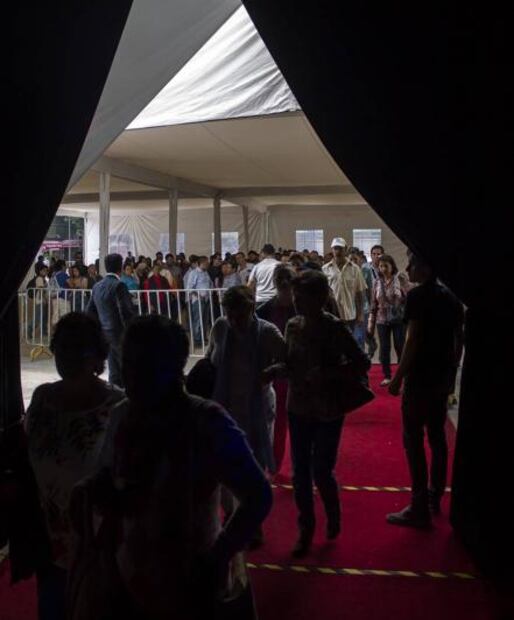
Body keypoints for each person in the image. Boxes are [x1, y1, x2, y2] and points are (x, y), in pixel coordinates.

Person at [69, 316, 272, 620]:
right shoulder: (123, 415)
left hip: (191, 583)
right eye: (128, 363)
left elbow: (259, 495)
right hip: (129, 578)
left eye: (145, 366)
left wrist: (218, 556)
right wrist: (91, 488)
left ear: (175, 368)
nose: (131, 376)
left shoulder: (207, 421)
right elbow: (108, 472)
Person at [25, 313, 124, 620]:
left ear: (97, 356)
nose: (67, 357)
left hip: (100, 548)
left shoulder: (118, 407)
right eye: (62, 348)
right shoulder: (42, 398)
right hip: (49, 541)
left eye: (77, 349)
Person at [275, 270, 370, 557]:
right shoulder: (292, 326)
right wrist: (278, 370)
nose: (296, 302)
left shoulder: (334, 327)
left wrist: (328, 373)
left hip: (328, 409)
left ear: (319, 298)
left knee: (322, 470)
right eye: (295, 296)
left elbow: (362, 362)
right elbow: (290, 362)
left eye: (302, 297)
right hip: (298, 407)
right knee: (300, 472)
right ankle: (306, 528)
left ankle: (332, 512)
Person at [387, 251, 465, 528]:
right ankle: (435, 498)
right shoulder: (452, 298)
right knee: (437, 438)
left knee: (413, 440)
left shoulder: (417, 297)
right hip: (441, 378)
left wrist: (397, 378)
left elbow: (412, 340)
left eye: (413, 264)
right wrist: (451, 374)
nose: (408, 268)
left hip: (419, 379)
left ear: (427, 269)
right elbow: (458, 340)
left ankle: (419, 505)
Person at [207, 286, 285, 548]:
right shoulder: (220, 327)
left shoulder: (267, 333)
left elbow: (288, 362)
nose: (233, 321)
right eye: (229, 314)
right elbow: (210, 359)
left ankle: (253, 523)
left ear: (251, 309)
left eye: (238, 315)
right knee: (224, 464)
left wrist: (272, 371)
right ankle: (232, 515)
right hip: (224, 405)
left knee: (254, 466)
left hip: (258, 408)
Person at [256, 265, 297, 478]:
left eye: (287, 277)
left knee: (299, 425)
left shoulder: (303, 309)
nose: (283, 281)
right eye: (279, 277)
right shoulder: (263, 311)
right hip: (274, 375)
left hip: (299, 375)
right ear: (273, 281)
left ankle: (300, 468)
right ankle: (274, 464)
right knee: (277, 422)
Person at [86, 253, 136, 387]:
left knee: (114, 372)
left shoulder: (97, 286)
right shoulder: (119, 285)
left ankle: (115, 395)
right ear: (121, 267)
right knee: (129, 370)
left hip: (105, 335)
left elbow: (90, 312)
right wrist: (132, 332)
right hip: (120, 334)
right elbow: (125, 312)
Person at [368, 254, 407, 386]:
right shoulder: (376, 282)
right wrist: (370, 324)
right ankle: (387, 376)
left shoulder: (399, 279)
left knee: (400, 346)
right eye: (381, 266)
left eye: (386, 266)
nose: (383, 269)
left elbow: (408, 296)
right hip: (381, 319)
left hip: (398, 318)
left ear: (392, 266)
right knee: (384, 348)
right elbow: (373, 303)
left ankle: (402, 375)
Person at [322, 237, 367, 331]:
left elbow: (360, 293)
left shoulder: (355, 269)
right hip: (332, 314)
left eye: (340, 249)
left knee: (348, 339)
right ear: (332, 250)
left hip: (349, 315)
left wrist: (360, 314)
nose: (338, 251)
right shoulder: (325, 269)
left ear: (345, 250)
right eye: (335, 248)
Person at [188, 255, 213, 347]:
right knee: (198, 320)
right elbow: (190, 287)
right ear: (201, 263)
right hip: (198, 300)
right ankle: (197, 340)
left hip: (206, 299)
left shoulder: (206, 273)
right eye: (206, 263)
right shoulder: (194, 273)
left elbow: (210, 283)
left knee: (205, 320)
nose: (208, 264)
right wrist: (198, 296)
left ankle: (203, 338)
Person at [27, 264, 49, 341]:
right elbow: (40, 289)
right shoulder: (39, 279)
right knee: (37, 319)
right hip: (40, 301)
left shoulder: (43, 279)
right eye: (44, 270)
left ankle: (44, 332)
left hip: (42, 301)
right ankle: (29, 329)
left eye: (46, 270)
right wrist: (44, 299)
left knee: (43, 318)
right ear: (39, 271)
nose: (46, 272)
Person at [48, 260, 69, 324]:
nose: (66, 267)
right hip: (63, 298)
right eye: (65, 266)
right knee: (65, 316)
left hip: (54, 297)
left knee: (55, 316)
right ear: (63, 266)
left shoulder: (53, 275)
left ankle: (55, 329)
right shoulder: (63, 275)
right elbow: (70, 284)